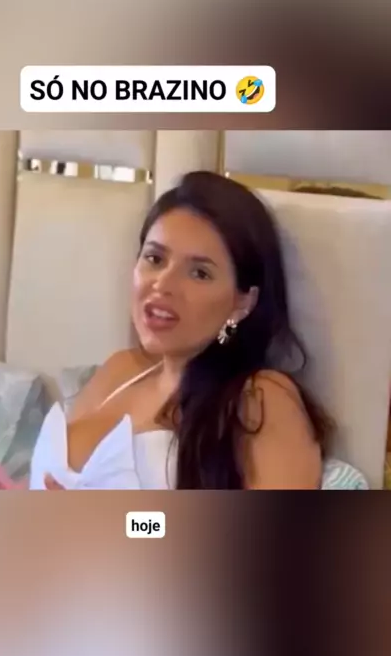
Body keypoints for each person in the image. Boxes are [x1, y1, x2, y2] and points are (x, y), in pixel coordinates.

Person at [30, 171, 332, 491]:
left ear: (242, 302)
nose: (162, 284)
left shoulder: (260, 398)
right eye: (155, 258)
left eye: (199, 273)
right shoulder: (118, 370)